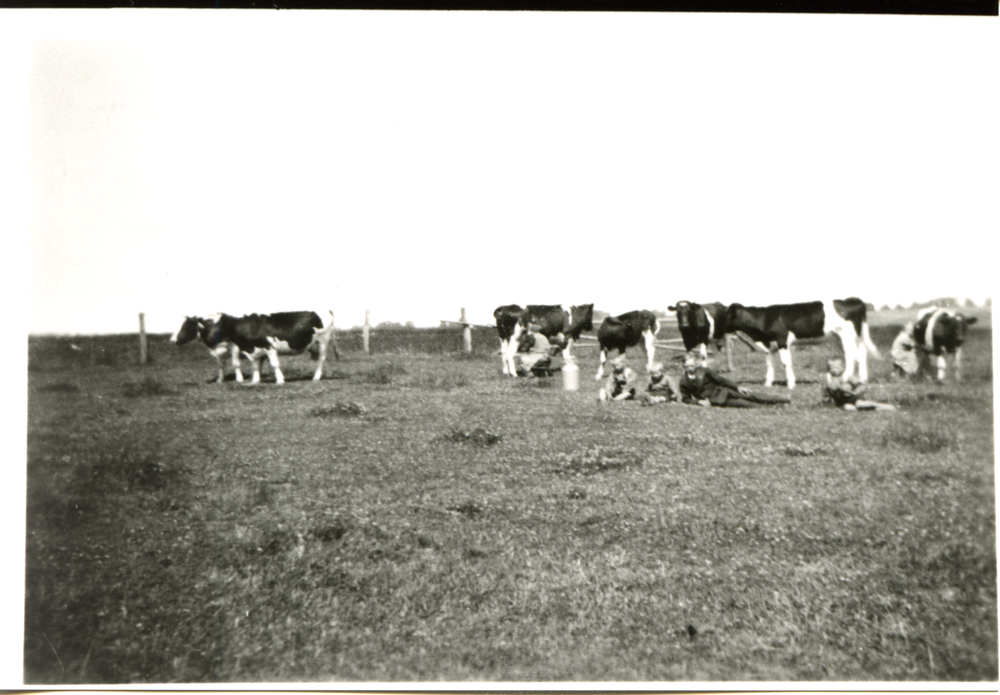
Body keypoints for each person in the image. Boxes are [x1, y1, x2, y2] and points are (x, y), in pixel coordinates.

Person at [679, 354, 791, 408]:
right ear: (684, 366)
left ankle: (784, 400)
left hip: (724, 390)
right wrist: (698, 402)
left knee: (752, 395)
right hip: (716, 400)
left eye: (692, 365)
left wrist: (737, 387)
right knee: (746, 404)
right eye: (688, 366)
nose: (691, 368)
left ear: (695, 363)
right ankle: (775, 407)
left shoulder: (704, 371)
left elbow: (721, 380)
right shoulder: (683, 381)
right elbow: (685, 398)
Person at [823, 358, 896, 411]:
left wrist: (856, 392)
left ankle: (881, 406)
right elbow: (827, 394)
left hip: (854, 398)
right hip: (843, 403)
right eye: (830, 368)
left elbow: (862, 386)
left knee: (859, 404)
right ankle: (871, 409)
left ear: (843, 368)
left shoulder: (848, 377)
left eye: (836, 368)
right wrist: (827, 401)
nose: (833, 370)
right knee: (848, 408)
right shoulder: (830, 381)